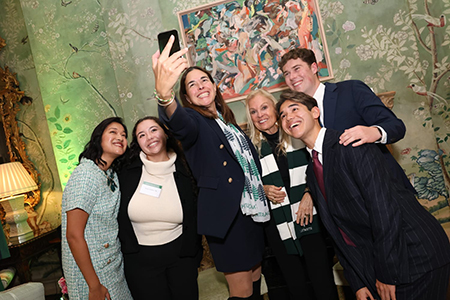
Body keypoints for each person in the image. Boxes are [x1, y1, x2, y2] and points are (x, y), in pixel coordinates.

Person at [276, 90, 450, 300]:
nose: (288, 117)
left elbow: (384, 211)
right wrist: (357, 281)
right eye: (283, 115)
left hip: (416, 254)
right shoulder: (312, 171)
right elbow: (338, 230)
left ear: (315, 112)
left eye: (294, 109)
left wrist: (387, 274)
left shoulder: (351, 144)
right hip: (380, 266)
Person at [153, 36, 269, 300]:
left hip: (251, 212)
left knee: (254, 280)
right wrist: (164, 96)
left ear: (215, 87)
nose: (200, 86)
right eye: (191, 84)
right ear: (186, 96)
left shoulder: (227, 123)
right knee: (241, 291)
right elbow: (178, 122)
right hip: (227, 217)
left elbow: (246, 168)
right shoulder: (194, 120)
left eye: (204, 80)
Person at [279, 48, 415, 193]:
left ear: (314, 67)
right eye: (287, 74)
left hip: (386, 190)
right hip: (347, 202)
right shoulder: (297, 118)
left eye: (297, 69)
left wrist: (373, 132)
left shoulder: (350, 90)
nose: (292, 77)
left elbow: (396, 126)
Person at [245, 89, 338, 300]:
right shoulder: (250, 147)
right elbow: (246, 184)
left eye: (264, 107)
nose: (260, 115)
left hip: (309, 213)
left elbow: (319, 166)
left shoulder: (297, 131)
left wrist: (309, 193)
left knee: (322, 278)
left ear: (276, 110)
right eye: (253, 111)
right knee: (295, 284)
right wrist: (262, 189)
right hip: (276, 225)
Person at [118, 116, 202, 299]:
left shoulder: (185, 167)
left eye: (153, 130)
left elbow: (195, 214)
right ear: (137, 142)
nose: (149, 137)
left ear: (165, 132)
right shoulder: (125, 171)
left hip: (181, 257)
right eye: (141, 135)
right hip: (140, 262)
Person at [61, 117, 132, 300]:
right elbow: (73, 235)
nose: (120, 137)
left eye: (124, 135)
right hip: (92, 273)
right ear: (98, 138)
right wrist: (94, 286)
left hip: (112, 265)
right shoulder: (86, 175)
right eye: (113, 132)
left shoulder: (110, 174)